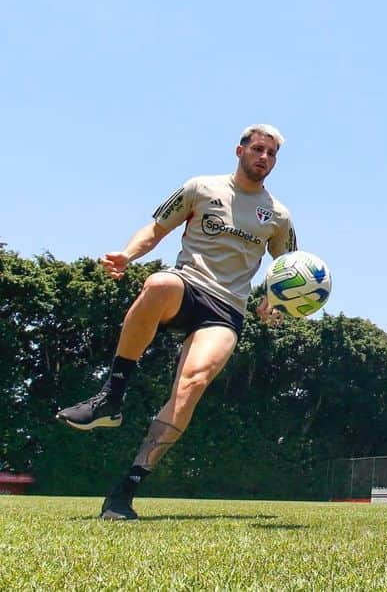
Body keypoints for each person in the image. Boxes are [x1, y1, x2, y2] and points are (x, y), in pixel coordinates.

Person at [56, 124, 296, 520]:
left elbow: (288, 269)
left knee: (192, 385)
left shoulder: (278, 215)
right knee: (157, 283)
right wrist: (126, 255)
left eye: (271, 154)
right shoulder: (201, 188)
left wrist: (273, 304)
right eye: (257, 149)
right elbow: (156, 228)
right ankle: (110, 399)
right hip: (186, 285)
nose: (264, 158)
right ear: (239, 150)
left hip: (226, 309)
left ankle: (125, 492)